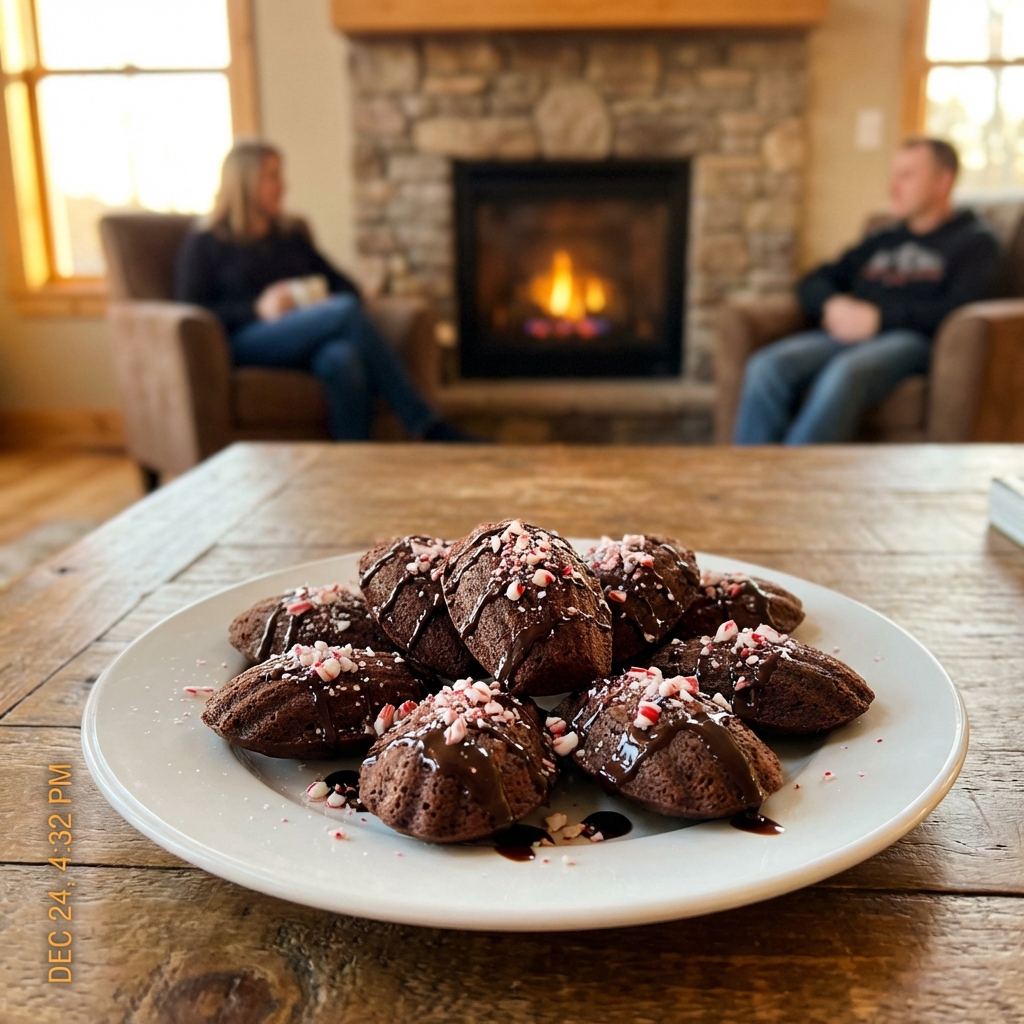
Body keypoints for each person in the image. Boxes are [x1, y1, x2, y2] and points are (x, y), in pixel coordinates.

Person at [175, 140, 471, 442]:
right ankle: (425, 423)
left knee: (344, 359)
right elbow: (193, 309)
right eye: (272, 176)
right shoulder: (206, 242)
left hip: (307, 338)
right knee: (342, 311)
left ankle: (355, 468)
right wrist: (258, 308)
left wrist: (313, 300)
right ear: (245, 182)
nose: (283, 186)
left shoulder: (290, 236)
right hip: (247, 340)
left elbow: (346, 287)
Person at [733, 137, 999, 444]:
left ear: (943, 181)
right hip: (848, 334)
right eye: (893, 175)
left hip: (911, 341)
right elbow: (814, 281)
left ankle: (797, 482)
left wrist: (879, 320)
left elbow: (961, 309)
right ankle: (750, 475)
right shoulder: (882, 239)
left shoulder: (975, 242)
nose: (893, 187)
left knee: (846, 373)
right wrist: (832, 305)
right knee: (766, 366)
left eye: (907, 176)